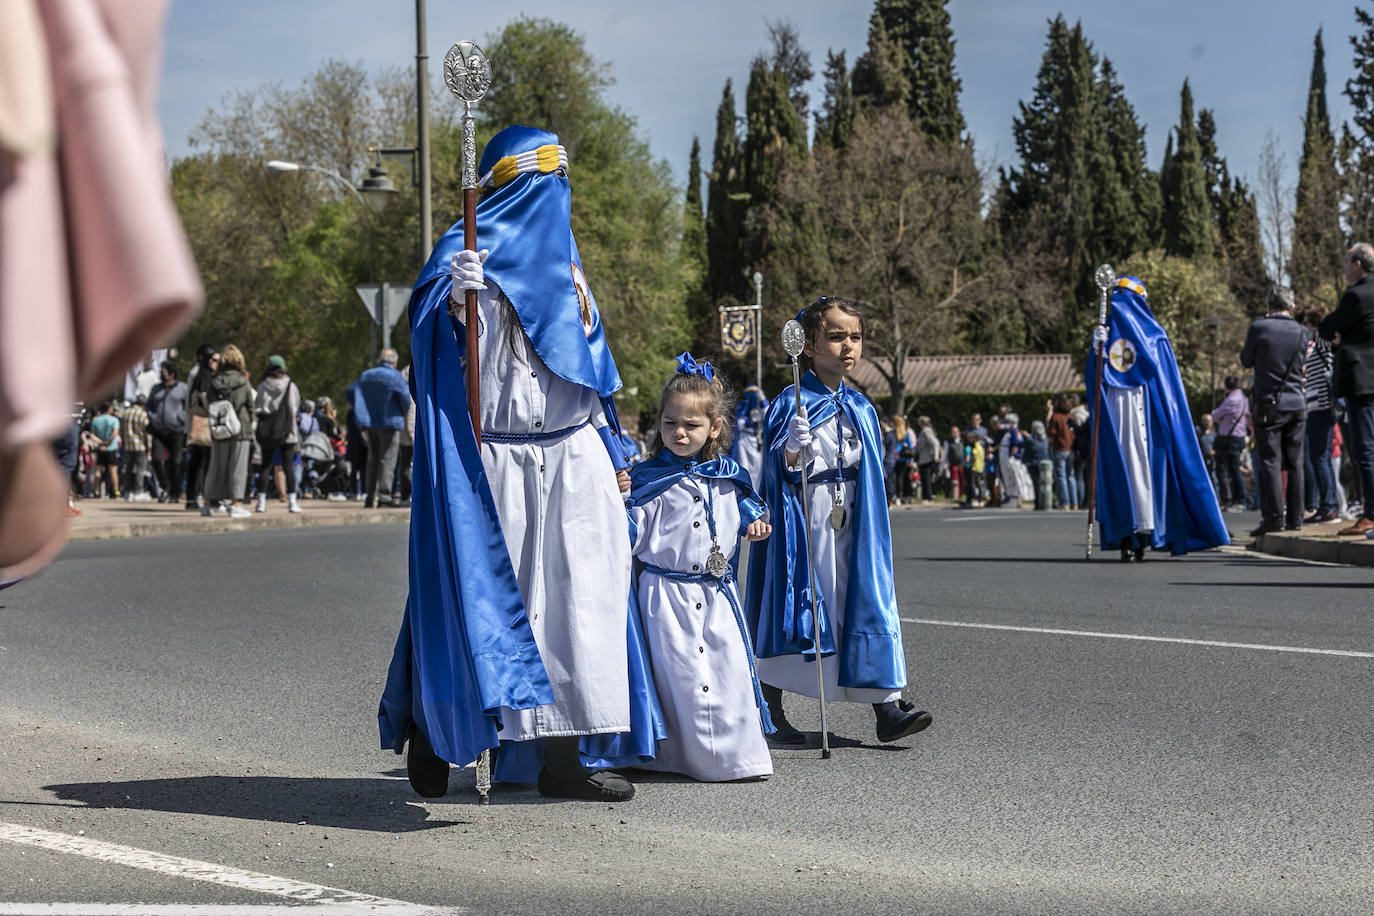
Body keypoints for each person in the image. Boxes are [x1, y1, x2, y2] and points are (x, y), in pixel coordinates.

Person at [379, 125, 661, 803]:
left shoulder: (570, 271)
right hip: (496, 454)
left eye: (561, 182)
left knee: (579, 608)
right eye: (542, 182)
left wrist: (614, 447)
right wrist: (451, 304)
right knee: (485, 598)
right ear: (509, 184)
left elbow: (589, 372)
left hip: (572, 453)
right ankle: (432, 729)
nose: (553, 197)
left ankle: (566, 758)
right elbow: (436, 355)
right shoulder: (463, 251)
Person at [746, 296, 932, 745]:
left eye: (855, 337)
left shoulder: (863, 407)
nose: (848, 346)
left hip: (852, 517)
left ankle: (886, 706)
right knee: (805, 600)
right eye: (835, 337)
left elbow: (873, 468)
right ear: (808, 345)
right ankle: (769, 706)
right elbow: (776, 471)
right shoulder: (789, 403)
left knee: (860, 598)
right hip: (806, 519)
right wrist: (791, 448)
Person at [626, 354, 774, 781]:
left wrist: (755, 525)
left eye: (691, 425)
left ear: (715, 427)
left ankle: (736, 755)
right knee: (679, 674)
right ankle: (678, 757)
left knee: (727, 668)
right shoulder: (646, 479)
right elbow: (632, 535)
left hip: (716, 593)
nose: (679, 433)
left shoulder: (728, 475)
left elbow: (749, 512)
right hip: (665, 596)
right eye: (670, 423)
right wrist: (620, 506)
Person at [1088, 276, 1229, 559]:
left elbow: (1165, 385)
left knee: (1151, 475)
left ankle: (1151, 533)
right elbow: (1096, 383)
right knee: (1123, 472)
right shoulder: (1104, 334)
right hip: (1117, 418)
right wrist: (1095, 353)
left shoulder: (1155, 337)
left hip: (1148, 418)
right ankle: (1129, 537)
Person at [1241, 286, 1308, 536]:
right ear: (1292, 306)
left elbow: (1245, 360)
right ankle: (1296, 518)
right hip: (1297, 403)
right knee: (1296, 463)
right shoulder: (1303, 332)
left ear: (1269, 305)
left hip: (1268, 404)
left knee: (1270, 461)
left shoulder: (1259, 327)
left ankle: (1273, 518)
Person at [1318, 243, 1374, 537]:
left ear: (1357, 264)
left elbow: (1327, 327)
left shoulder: (1356, 295)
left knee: (1364, 449)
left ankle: (1371, 514)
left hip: (1362, 382)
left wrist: (1341, 336)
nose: (1342, 267)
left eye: (1344, 261)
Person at [346, 349, 410, 509]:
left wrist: (361, 409)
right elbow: (405, 398)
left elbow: (350, 392)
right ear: (394, 362)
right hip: (390, 421)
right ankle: (384, 496)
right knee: (388, 459)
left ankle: (369, 496)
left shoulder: (367, 375)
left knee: (372, 459)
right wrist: (401, 412)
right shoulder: (395, 376)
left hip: (370, 422)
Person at [202, 344, 253, 519]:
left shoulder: (214, 382)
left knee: (216, 466)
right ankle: (235, 504)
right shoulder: (243, 382)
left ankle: (207, 503)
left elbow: (208, 403)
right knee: (238, 468)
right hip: (240, 429)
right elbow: (250, 405)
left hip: (219, 429)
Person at [1299, 310, 1339, 523]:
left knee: (1319, 457)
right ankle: (1329, 505)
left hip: (1322, 405)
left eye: (1306, 324)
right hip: (1318, 405)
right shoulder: (1317, 343)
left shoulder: (1321, 341)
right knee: (1321, 456)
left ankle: (1329, 506)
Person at [253, 355, 302, 514]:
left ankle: (261, 502)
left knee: (265, 466)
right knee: (288, 467)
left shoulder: (262, 386)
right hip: (286, 430)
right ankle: (292, 502)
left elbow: (258, 407)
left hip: (267, 429)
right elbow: (293, 408)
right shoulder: (290, 385)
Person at [146, 361, 187, 503]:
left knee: (176, 463)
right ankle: (166, 487)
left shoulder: (183, 388)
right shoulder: (156, 389)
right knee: (156, 459)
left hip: (176, 431)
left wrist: (181, 418)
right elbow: (149, 406)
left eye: (163, 372)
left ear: (172, 374)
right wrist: (153, 418)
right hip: (159, 431)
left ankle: (175, 492)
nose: (161, 375)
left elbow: (189, 407)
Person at [183, 345, 219, 510]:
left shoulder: (197, 374)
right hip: (205, 424)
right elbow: (203, 397)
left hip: (197, 423)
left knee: (198, 463)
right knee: (205, 463)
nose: (216, 363)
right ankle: (208, 498)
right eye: (213, 359)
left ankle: (194, 498)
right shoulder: (203, 376)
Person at [731, 384, 769, 492]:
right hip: (743, 441)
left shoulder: (760, 407)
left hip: (757, 442)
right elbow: (739, 423)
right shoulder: (742, 407)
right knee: (744, 468)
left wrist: (763, 399)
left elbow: (768, 415)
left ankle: (756, 494)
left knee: (758, 471)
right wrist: (750, 421)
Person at [119, 395, 152, 500]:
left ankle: (127, 491)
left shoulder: (126, 413)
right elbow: (147, 432)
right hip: (140, 446)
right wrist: (149, 448)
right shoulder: (143, 414)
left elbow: (121, 430)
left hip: (128, 446)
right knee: (140, 469)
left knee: (128, 469)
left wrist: (124, 441)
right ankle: (138, 491)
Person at [1048, 393, 1077, 510]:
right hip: (1071, 448)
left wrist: (1049, 412)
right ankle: (1074, 502)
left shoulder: (1056, 417)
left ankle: (1065, 502)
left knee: (1061, 476)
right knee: (1071, 475)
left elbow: (1051, 433)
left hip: (1059, 448)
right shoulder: (1070, 415)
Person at [996, 413, 1031, 507]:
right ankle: (1013, 498)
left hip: (1009, 457)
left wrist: (1011, 456)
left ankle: (1014, 499)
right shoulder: (1013, 431)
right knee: (1012, 478)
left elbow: (1014, 445)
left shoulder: (1013, 431)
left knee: (1011, 478)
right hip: (1008, 456)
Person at [89, 401, 121, 498]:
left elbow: (92, 435)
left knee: (98, 470)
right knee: (113, 470)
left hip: (100, 448)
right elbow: (115, 433)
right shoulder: (114, 420)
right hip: (111, 448)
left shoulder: (95, 420)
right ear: (109, 409)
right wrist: (108, 442)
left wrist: (100, 442)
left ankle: (95, 490)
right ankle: (115, 490)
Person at [914, 415, 940, 504]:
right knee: (925, 478)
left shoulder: (926, 431)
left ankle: (928, 497)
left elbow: (934, 442)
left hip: (927, 458)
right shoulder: (924, 431)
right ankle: (926, 497)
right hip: (923, 458)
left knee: (926, 478)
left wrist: (935, 455)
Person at [1024, 419, 1051, 504]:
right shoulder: (1046, 438)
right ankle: (1047, 501)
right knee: (1046, 484)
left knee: (1036, 483)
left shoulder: (1031, 439)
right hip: (1046, 464)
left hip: (1034, 463)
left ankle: (1038, 502)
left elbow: (1026, 447)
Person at [962, 430, 985, 507]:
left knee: (973, 485)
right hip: (980, 468)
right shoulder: (980, 446)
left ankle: (974, 499)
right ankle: (980, 500)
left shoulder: (974, 447)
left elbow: (974, 457)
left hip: (974, 467)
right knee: (979, 484)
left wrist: (972, 462)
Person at [943, 425, 964, 500]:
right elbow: (945, 454)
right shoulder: (948, 442)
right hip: (953, 464)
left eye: (956, 432)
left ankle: (960, 495)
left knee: (962, 480)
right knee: (955, 480)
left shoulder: (962, 440)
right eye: (953, 432)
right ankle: (955, 496)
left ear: (959, 432)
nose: (954, 433)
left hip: (962, 464)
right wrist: (944, 467)